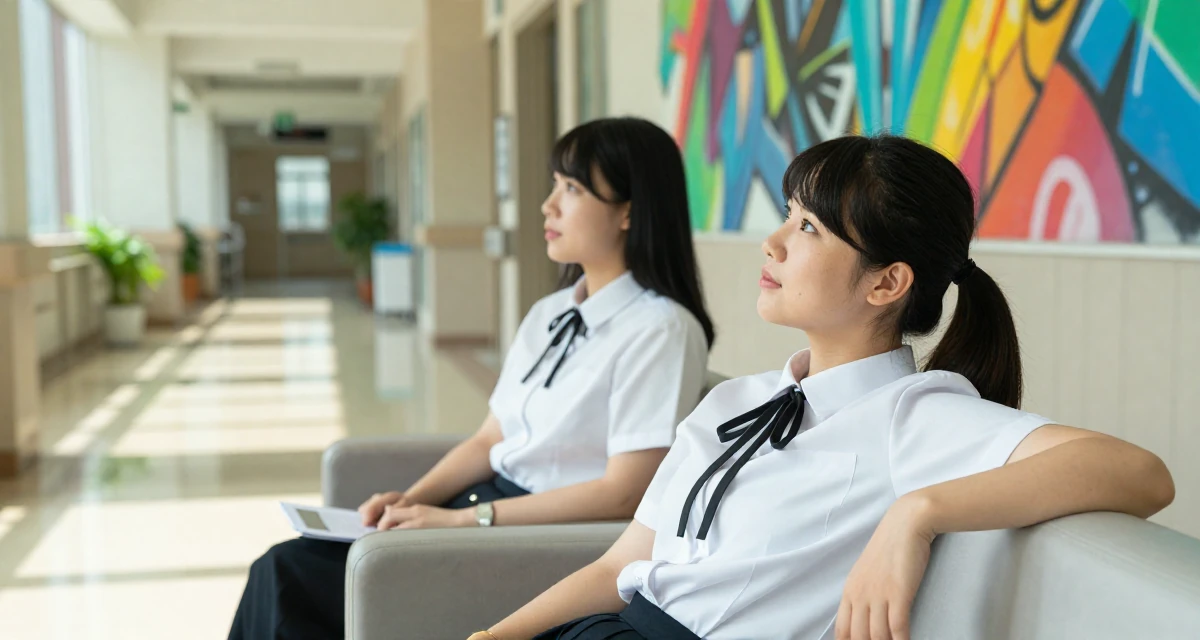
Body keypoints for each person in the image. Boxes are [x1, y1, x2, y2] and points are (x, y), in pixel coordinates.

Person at [473, 135, 1175, 640]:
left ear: (886, 283)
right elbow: (623, 566)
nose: (773, 243)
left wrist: (917, 514)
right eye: (787, 214)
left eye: (807, 227)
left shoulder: (913, 415)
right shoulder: (736, 402)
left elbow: (1140, 473)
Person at [228, 117, 717, 639]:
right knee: (284, 565)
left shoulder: (661, 329)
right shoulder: (551, 312)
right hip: (483, 509)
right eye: (555, 184)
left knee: (288, 575)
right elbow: (490, 438)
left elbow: (624, 493)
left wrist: (466, 520)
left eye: (572, 189)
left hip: (535, 535)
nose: (548, 205)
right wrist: (411, 500)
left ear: (629, 211)